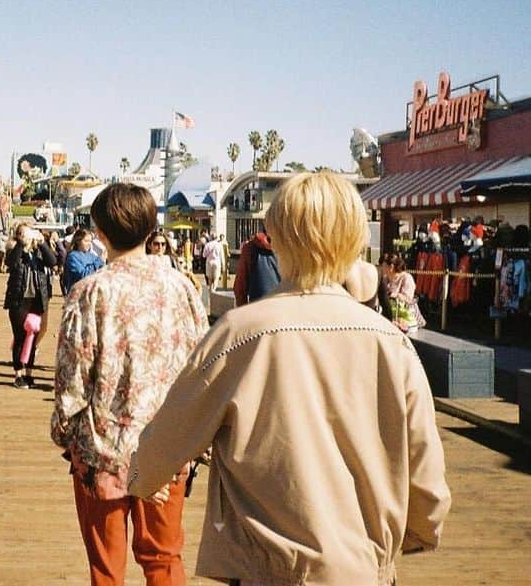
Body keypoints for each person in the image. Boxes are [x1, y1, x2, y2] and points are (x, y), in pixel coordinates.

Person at [129, 172, 451, 586]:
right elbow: (425, 475)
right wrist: (410, 538)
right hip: (366, 570)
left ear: (276, 237)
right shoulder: (391, 343)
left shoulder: (238, 334)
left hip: (267, 571)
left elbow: (163, 448)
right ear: (354, 241)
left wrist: (140, 476)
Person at [52, 183, 209, 586]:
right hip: (166, 446)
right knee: (163, 557)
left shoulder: (90, 292)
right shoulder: (183, 289)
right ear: (149, 228)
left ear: (101, 232)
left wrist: (64, 432)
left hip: (101, 448)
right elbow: (202, 364)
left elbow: (73, 378)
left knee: (106, 568)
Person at [3, 223, 57, 388]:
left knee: (33, 337)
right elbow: (10, 263)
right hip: (19, 299)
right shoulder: (14, 249)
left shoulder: (38, 251)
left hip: (37, 299)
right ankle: (18, 374)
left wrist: (42, 243)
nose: (26, 236)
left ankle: (29, 374)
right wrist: (21, 244)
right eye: (22, 233)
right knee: (19, 336)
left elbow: (53, 261)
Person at [232, 226, 280, 305]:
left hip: (257, 309)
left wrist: (243, 311)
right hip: (285, 310)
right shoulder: (294, 249)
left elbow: (239, 288)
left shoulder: (250, 248)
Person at [382, 252, 422, 333]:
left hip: (406, 317)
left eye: (384, 266)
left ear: (391, 267)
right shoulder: (386, 279)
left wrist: (394, 294)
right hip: (391, 316)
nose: (382, 268)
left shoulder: (406, 278)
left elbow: (408, 299)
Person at [63, 228, 105, 294]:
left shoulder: (92, 256)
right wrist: (99, 261)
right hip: (77, 296)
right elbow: (83, 275)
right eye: (86, 241)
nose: (89, 244)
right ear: (78, 241)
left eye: (90, 241)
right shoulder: (73, 256)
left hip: (90, 295)